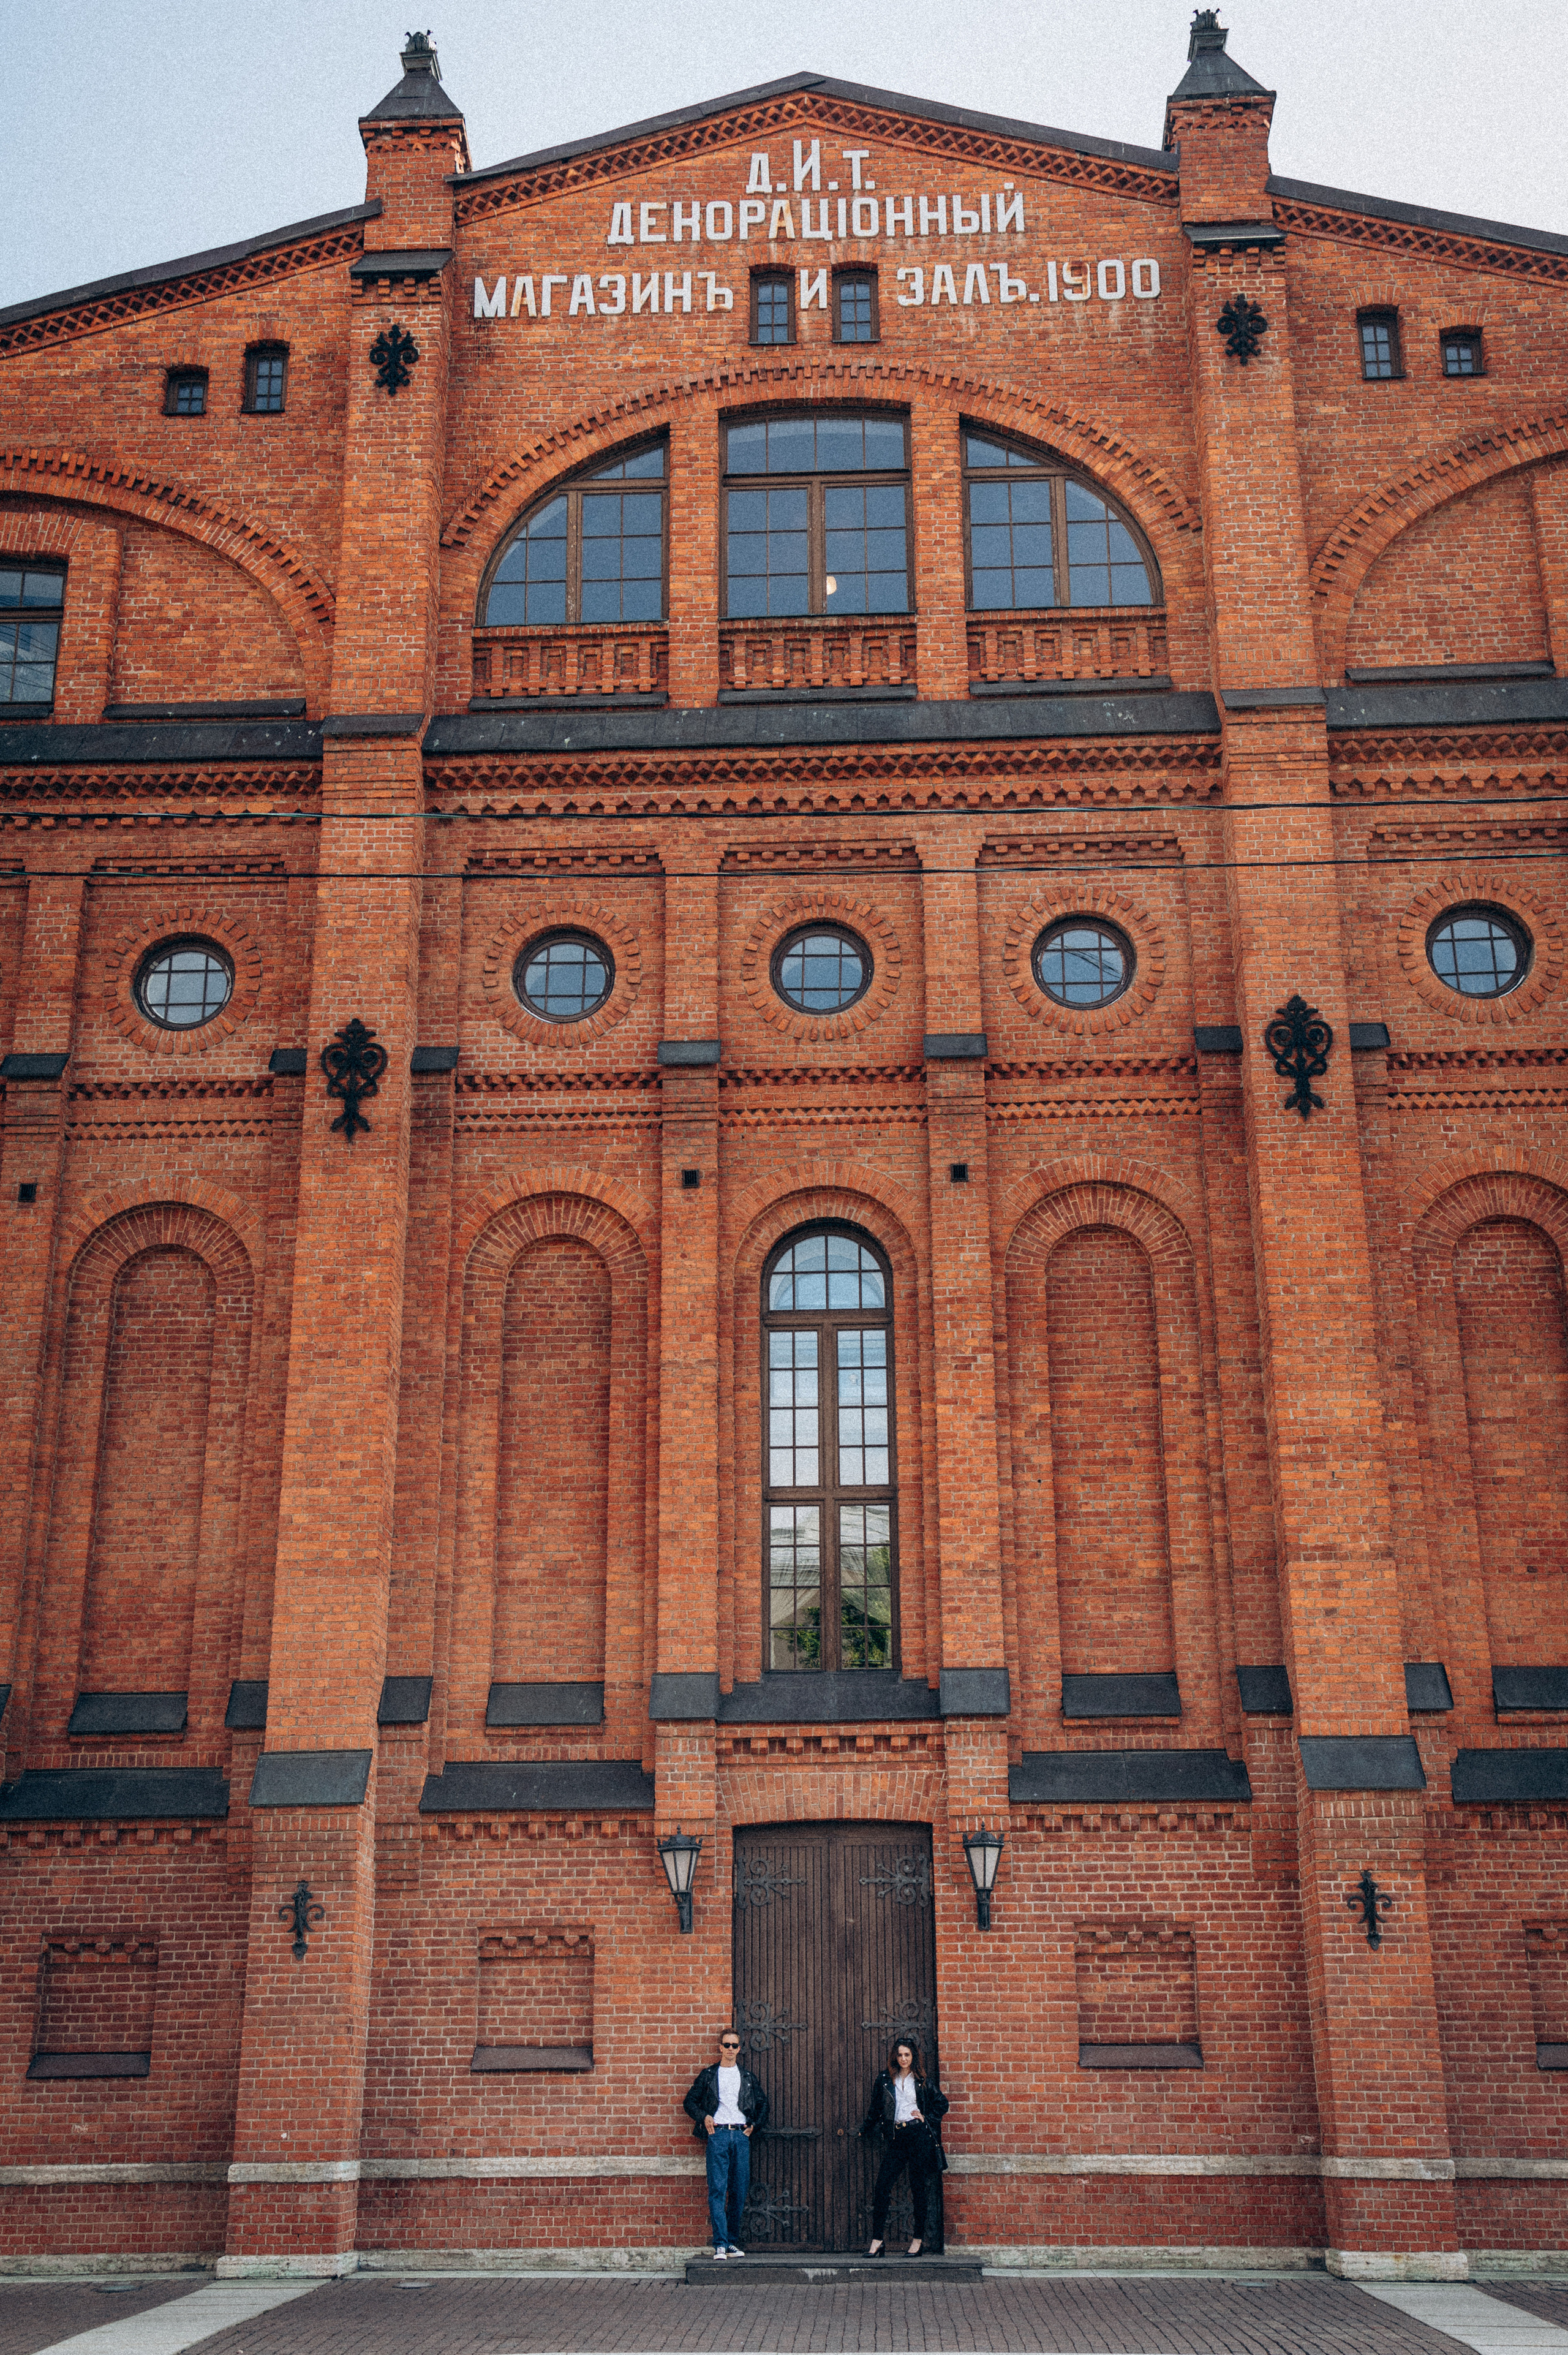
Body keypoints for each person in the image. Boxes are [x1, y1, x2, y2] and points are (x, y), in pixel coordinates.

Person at [683, 2027, 769, 2259]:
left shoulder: (748, 2078)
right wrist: (704, 2117)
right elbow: (689, 2102)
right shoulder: (709, 2075)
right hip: (718, 2136)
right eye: (727, 2045)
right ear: (720, 2048)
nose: (731, 2049)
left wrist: (754, 2125)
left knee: (739, 2191)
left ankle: (731, 2242)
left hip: (741, 2137)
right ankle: (720, 2244)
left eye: (735, 2045)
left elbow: (763, 2105)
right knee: (718, 2190)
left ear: (739, 2049)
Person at [860, 2036, 948, 2257]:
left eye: (907, 2055)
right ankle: (878, 2241)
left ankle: (918, 2241)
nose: (903, 2059)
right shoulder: (884, 2079)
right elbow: (875, 2108)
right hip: (896, 2138)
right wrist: (865, 2129)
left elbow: (942, 2103)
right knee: (882, 2187)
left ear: (913, 2057)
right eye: (899, 2055)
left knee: (918, 2188)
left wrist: (926, 2117)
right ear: (895, 2057)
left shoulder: (921, 2080)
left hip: (918, 2136)